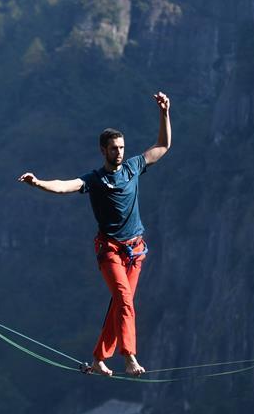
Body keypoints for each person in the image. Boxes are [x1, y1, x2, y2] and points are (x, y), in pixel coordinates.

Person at [18, 92, 171, 377]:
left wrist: (164, 112)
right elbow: (65, 186)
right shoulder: (95, 179)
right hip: (110, 250)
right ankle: (129, 357)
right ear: (103, 150)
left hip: (135, 251)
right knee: (124, 299)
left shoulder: (133, 167)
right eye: (114, 148)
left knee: (120, 303)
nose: (120, 152)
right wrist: (37, 183)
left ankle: (100, 359)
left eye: (122, 147)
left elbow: (162, 146)